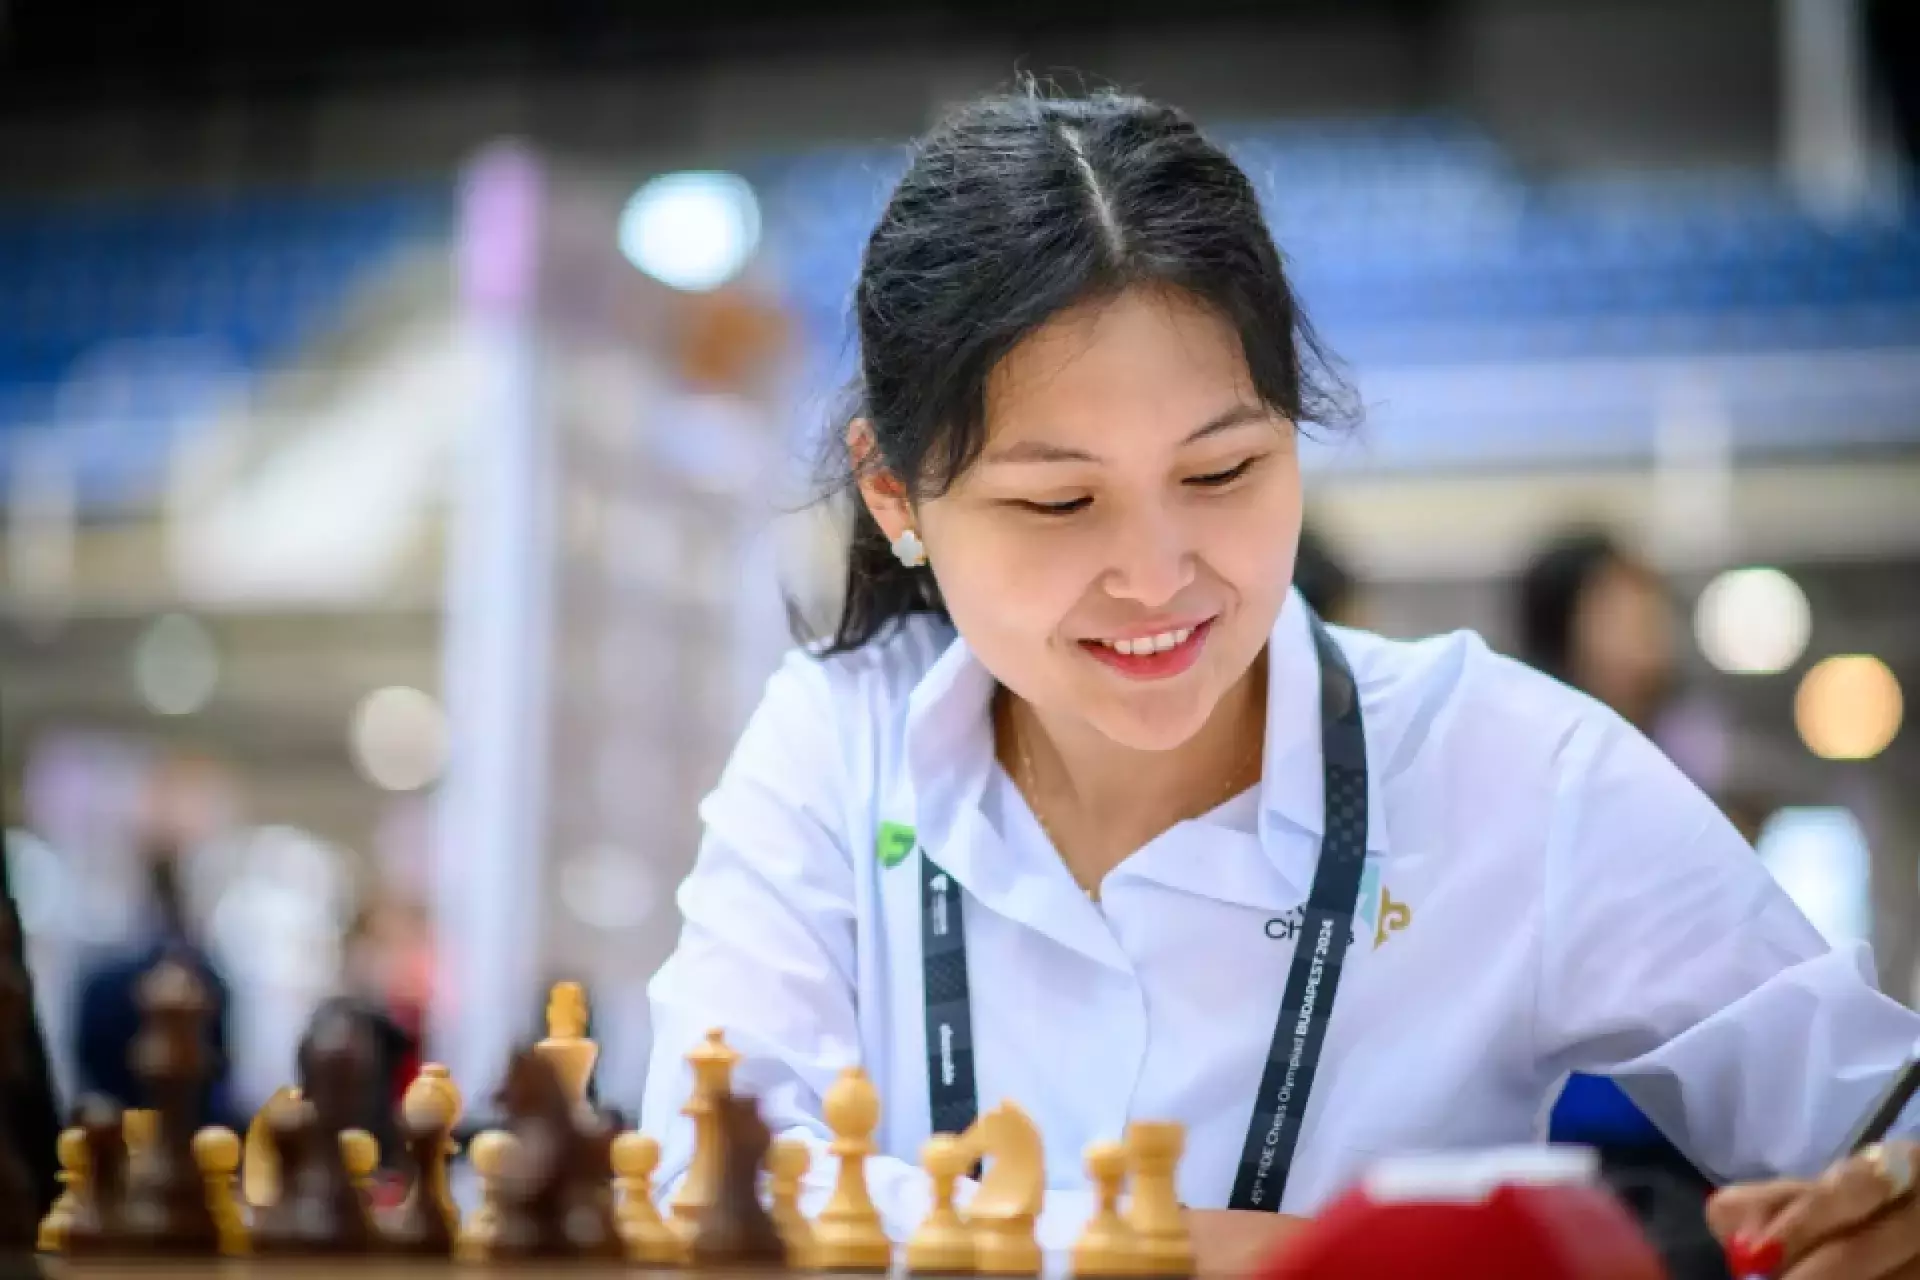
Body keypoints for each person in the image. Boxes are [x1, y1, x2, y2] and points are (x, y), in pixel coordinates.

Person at [640, 87, 1920, 1277]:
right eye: (1059, 501)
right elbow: (708, 1180)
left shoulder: (1509, 767)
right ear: (892, 494)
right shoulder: (839, 740)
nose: (1157, 575)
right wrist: (1225, 1249)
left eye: (1221, 473)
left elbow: (1872, 1118)